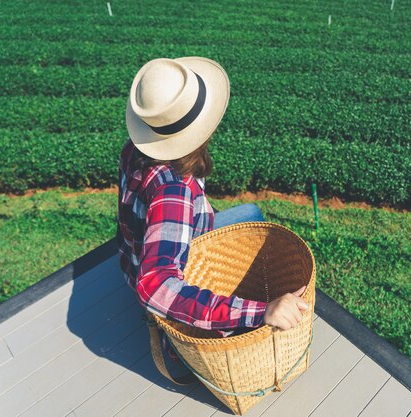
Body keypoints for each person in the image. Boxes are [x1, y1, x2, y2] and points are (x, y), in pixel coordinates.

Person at [116, 57, 309, 358]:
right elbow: (155, 285)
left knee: (251, 215)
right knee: (256, 229)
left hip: (139, 256)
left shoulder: (134, 148)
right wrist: (260, 312)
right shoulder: (174, 188)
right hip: (174, 278)